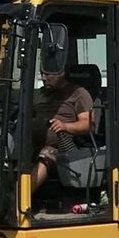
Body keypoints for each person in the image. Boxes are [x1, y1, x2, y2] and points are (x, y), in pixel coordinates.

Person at [31, 49, 94, 195]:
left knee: (47, 154)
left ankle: (18, 201)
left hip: (62, 148)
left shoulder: (78, 94)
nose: (44, 78)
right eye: (42, 74)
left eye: (48, 74)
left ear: (62, 72)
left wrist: (64, 126)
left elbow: (88, 123)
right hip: (30, 146)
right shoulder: (37, 94)